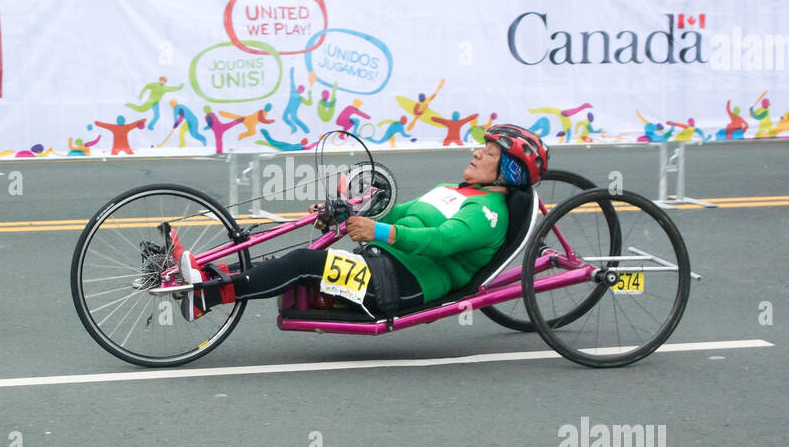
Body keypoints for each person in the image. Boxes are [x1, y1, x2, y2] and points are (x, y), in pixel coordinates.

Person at [174, 125, 548, 321]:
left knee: (304, 262)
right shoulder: (452, 188)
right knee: (289, 260)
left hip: (401, 285)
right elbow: (400, 213)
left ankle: (205, 297)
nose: (477, 152)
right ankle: (206, 275)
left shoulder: (489, 214)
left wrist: (377, 232)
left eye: (490, 152)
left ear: (508, 170)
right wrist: (351, 214)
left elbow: (439, 241)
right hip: (380, 262)